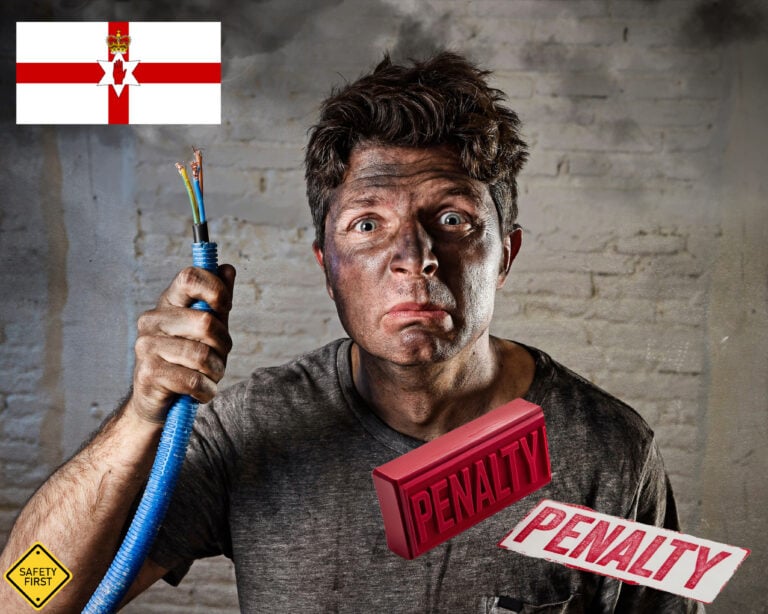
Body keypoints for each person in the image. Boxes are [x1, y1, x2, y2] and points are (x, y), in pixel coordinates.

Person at [0, 52, 701, 613]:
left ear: (506, 254)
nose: (414, 256)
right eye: (368, 224)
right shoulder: (254, 432)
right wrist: (141, 414)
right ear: (327, 266)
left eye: (453, 220)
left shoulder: (608, 453)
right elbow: (25, 596)